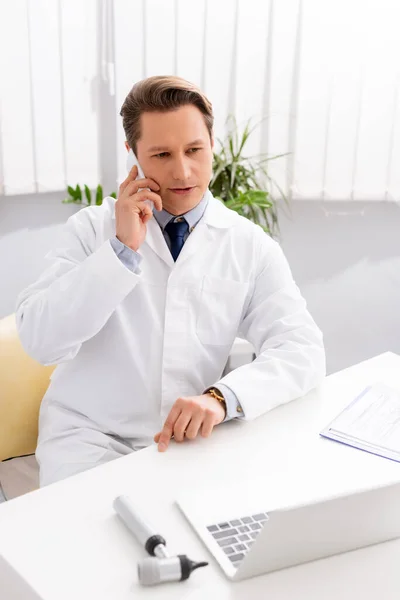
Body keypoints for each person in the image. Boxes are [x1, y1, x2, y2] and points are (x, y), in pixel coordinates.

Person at [16, 76, 326, 486]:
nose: (183, 171)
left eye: (194, 150)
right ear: (134, 154)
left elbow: (302, 349)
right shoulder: (91, 230)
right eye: (161, 154)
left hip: (187, 443)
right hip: (88, 440)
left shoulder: (249, 246)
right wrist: (122, 250)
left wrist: (222, 399)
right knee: (91, 542)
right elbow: (41, 339)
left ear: (212, 143)